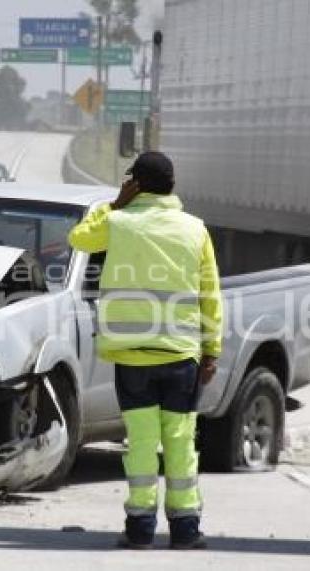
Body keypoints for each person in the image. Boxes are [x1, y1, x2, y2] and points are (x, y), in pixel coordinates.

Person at [67, 151, 223, 550]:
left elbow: (79, 238)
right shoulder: (195, 229)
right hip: (181, 356)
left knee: (140, 442)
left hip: (133, 357)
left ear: (133, 183)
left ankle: (139, 529)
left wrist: (114, 205)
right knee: (181, 441)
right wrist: (212, 351)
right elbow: (210, 295)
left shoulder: (117, 223)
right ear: (172, 185)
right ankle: (186, 530)